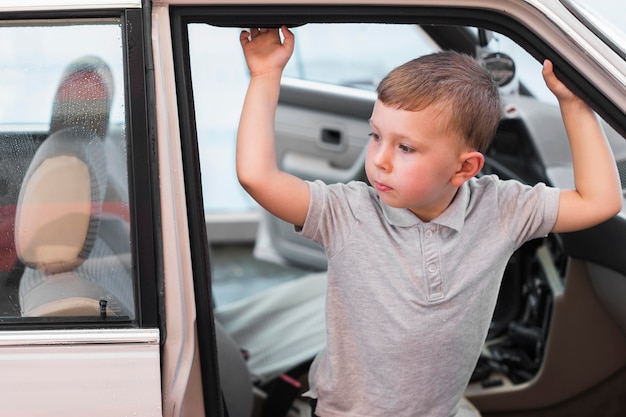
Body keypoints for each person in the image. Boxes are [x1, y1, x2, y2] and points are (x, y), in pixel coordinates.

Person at [236, 26, 622, 417]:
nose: (379, 160)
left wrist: (573, 104)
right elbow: (258, 177)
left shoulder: (501, 208)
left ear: (464, 168)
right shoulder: (347, 211)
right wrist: (266, 76)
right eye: (375, 136)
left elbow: (599, 201)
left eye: (405, 147)